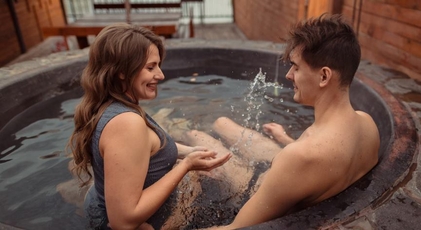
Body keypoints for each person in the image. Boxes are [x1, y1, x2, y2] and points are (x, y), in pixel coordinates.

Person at [180, 14, 380, 228]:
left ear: (324, 76)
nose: (288, 75)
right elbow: (321, 163)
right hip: (290, 174)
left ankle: (175, 127)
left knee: (195, 136)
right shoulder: (367, 125)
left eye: (296, 67)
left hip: (257, 185)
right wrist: (285, 139)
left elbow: (234, 228)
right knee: (221, 123)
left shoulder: (299, 155)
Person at [66, 23, 231, 229]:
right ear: (122, 71)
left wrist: (189, 151)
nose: (161, 75)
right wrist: (186, 166)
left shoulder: (111, 105)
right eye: (150, 67)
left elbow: (142, 149)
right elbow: (123, 221)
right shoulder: (127, 123)